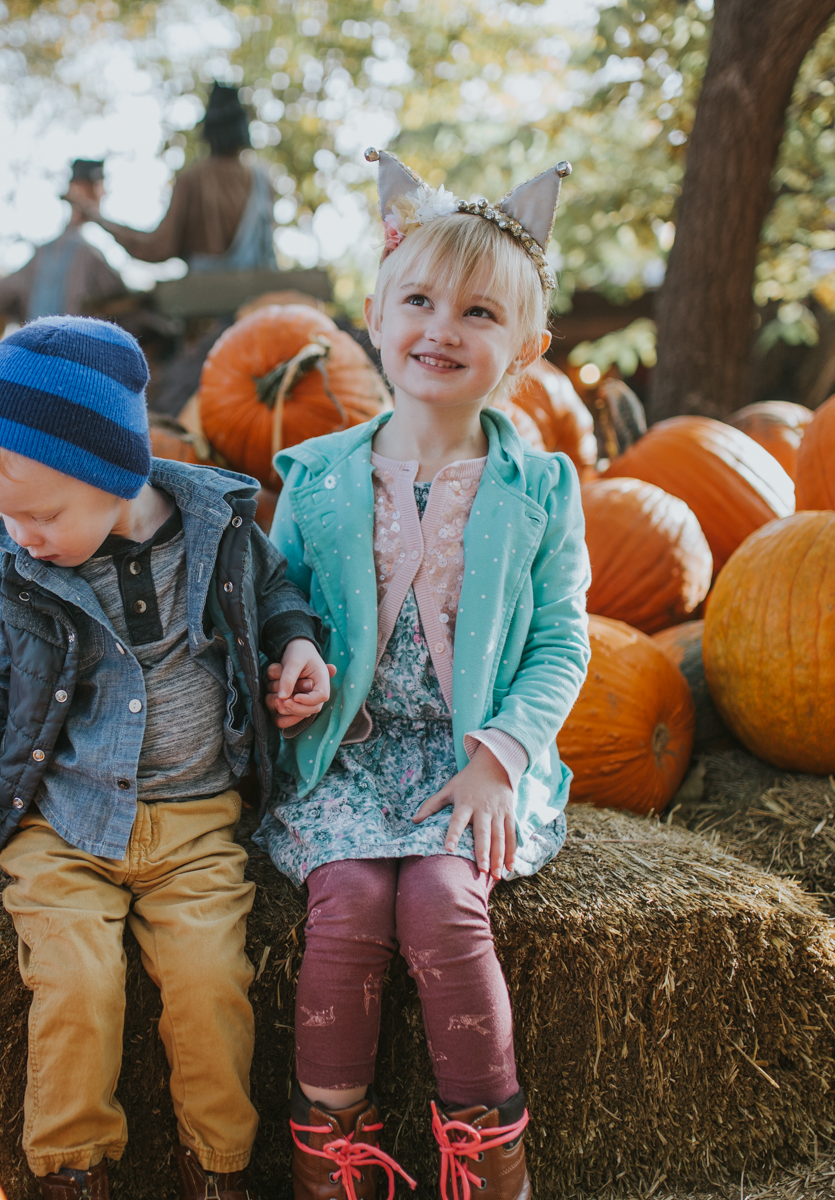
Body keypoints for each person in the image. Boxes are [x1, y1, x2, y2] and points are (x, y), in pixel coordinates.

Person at [0, 314, 332, 1200]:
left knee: (212, 985)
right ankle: (73, 1173)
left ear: (117, 474)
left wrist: (296, 643)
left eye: (42, 514)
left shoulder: (217, 528)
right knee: (77, 984)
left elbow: (277, 586)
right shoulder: (19, 571)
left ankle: (219, 1170)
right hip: (63, 827)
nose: (19, 536)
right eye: (7, 517)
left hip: (197, 823)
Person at [257, 149, 587, 1200]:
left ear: (525, 350)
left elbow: (561, 640)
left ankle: (490, 1151)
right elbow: (280, 603)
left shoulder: (539, 487)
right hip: (348, 759)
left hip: (468, 758)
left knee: (444, 904)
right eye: (420, 300)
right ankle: (334, 1149)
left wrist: (502, 756)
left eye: (481, 313)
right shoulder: (313, 476)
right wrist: (295, 657)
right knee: (349, 902)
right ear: (373, 315)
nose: (443, 327)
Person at [79, 84, 277, 273]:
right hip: (260, 302)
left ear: (209, 133)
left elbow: (157, 247)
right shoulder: (261, 180)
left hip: (202, 303)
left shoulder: (193, 180)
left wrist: (98, 219)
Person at [0, 159, 128, 323]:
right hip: (76, 347)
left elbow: (0, 294)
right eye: (97, 187)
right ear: (79, 189)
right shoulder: (85, 256)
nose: (103, 194)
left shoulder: (47, 255)